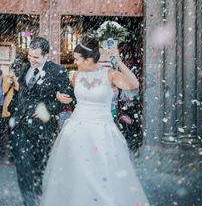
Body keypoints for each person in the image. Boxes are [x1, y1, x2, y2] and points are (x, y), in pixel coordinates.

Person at [40, 35, 149, 206]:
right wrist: (58, 96)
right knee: (76, 175)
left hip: (101, 131)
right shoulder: (76, 75)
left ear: (89, 58)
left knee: (102, 176)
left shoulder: (110, 75)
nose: (75, 63)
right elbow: (67, 95)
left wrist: (119, 61)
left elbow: (133, 84)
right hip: (76, 130)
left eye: (77, 59)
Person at [9, 37, 73, 206]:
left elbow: (69, 98)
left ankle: (38, 195)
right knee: (23, 165)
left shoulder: (58, 71)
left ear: (46, 55)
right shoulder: (24, 68)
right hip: (21, 126)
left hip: (43, 128)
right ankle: (29, 201)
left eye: (36, 57)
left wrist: (49, 108)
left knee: (39, 165)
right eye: (30, 56)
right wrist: (13, 113)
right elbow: (21, 93)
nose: (32, 60)